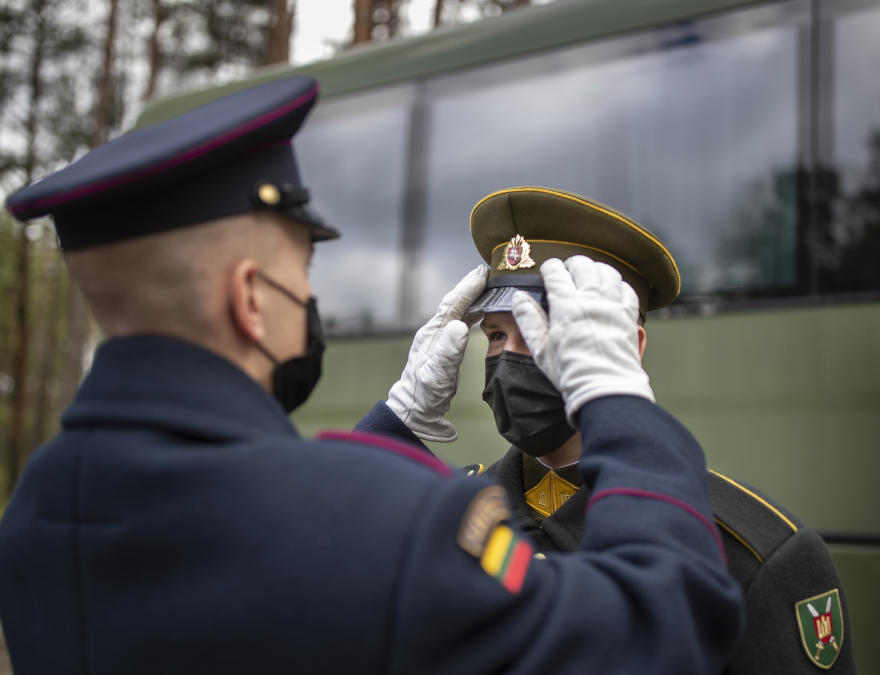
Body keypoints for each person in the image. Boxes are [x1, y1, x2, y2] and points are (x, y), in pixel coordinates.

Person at [0, 77, 743, 674]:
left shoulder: (38, 514)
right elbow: (656, 628)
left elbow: (306, 540)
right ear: (250, 297)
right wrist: (616, 396)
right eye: (303, 270)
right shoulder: (391, 526)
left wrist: (395, 425)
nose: (312, 299)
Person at [361, 187, 854, 674]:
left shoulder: (754, 551)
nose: (507, 356)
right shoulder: (455, 514)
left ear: (628, 346)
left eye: (538, 328)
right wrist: (397, 419)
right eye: (494, 334)